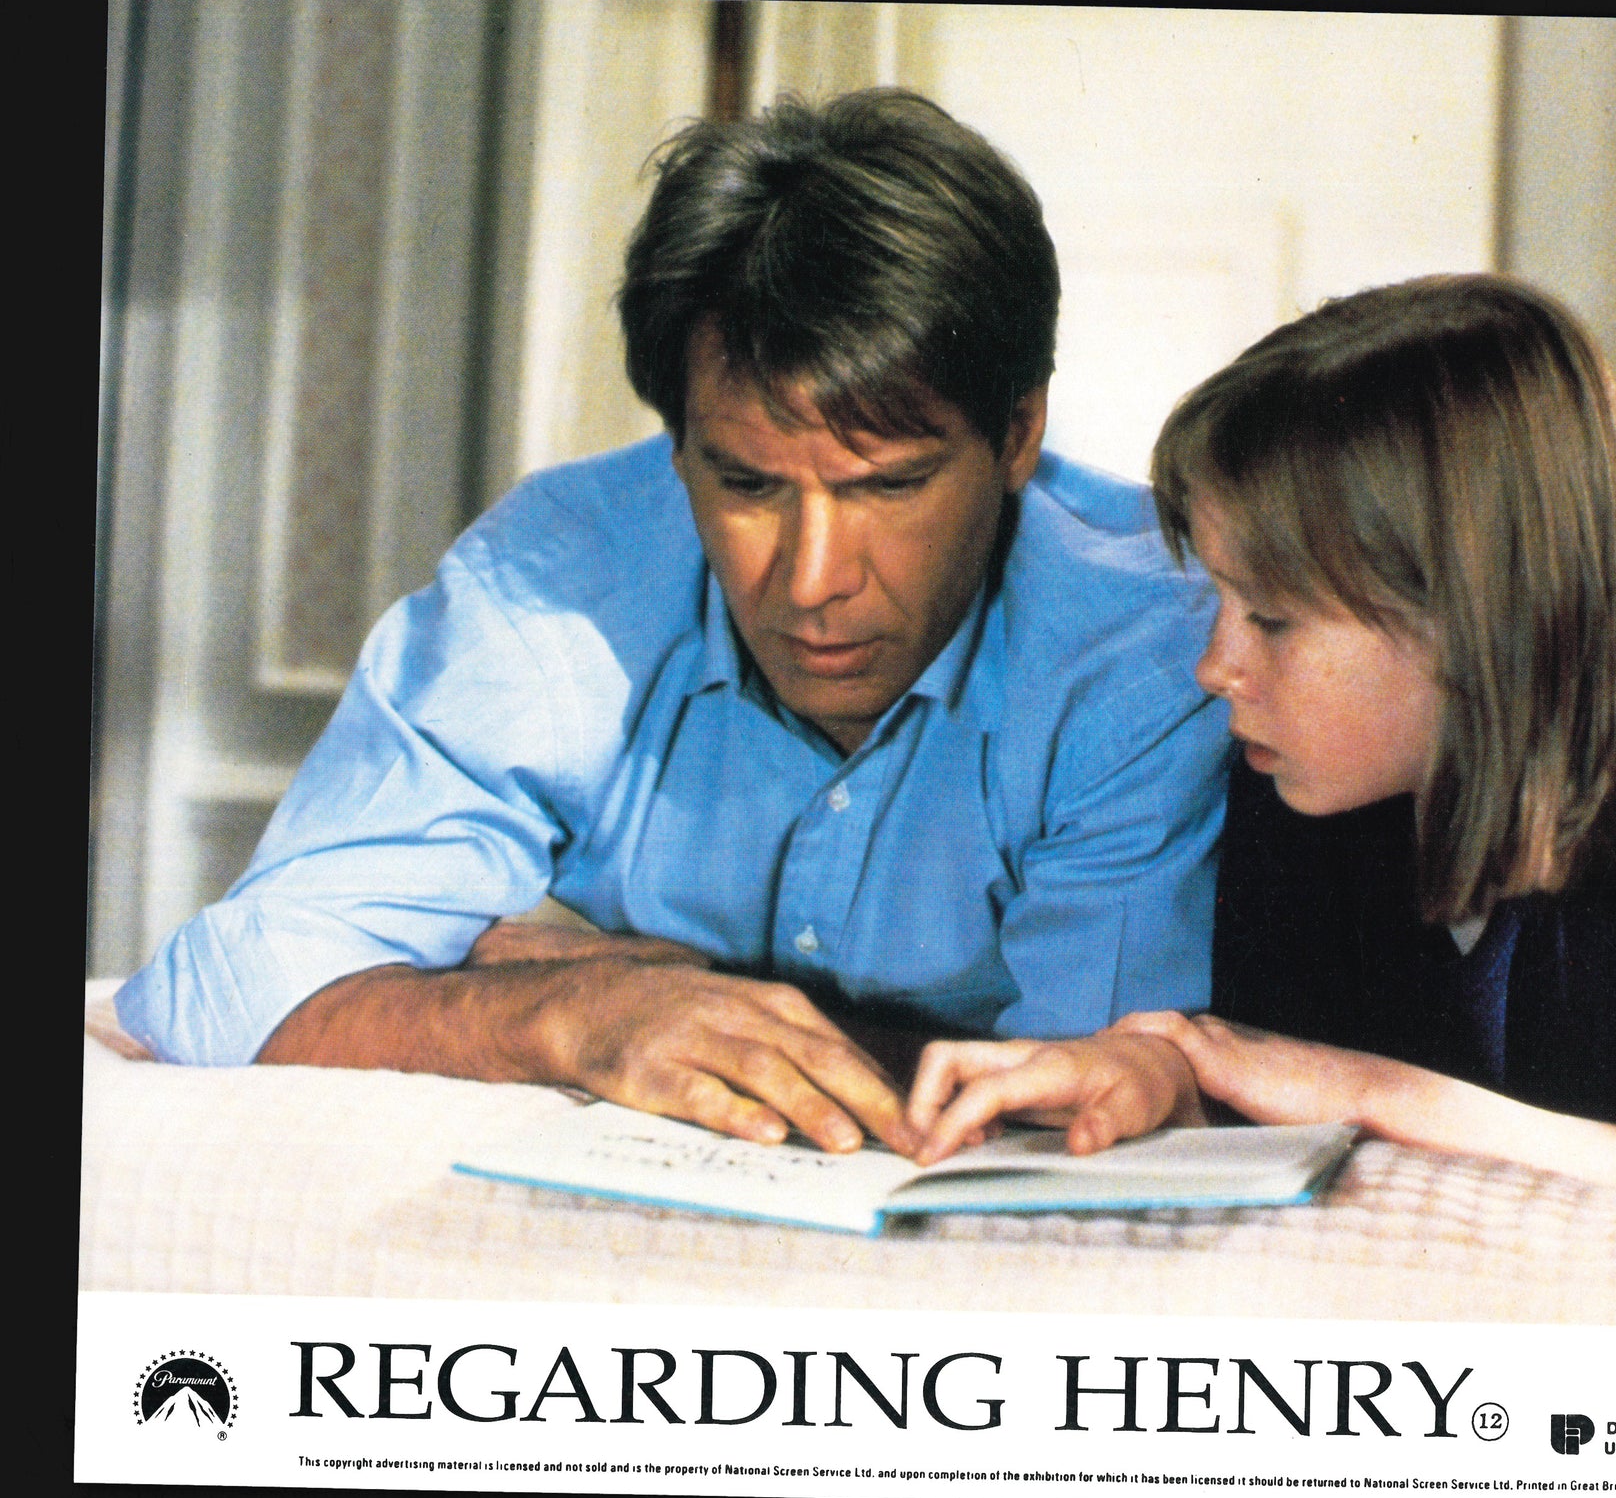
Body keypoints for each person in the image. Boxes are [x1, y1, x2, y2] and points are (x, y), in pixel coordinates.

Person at [115, 90, 1232, 1160]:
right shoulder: (556, 583)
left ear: (1019, 433)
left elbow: (1077, 1100)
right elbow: (219, 987)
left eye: (889, 487)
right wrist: (570, 1010)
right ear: (679, 443)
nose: (811, 581)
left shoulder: (1149, 639)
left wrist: (663, 991)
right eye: (746, 483)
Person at [905, 274, 1616, 1187]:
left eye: (1271, 618)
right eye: (1219, 601)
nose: (1214, 667)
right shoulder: (1303, 775)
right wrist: (1157, 1068)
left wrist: (1375, 1090)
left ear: (1470, 619)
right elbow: (1273, 1066)